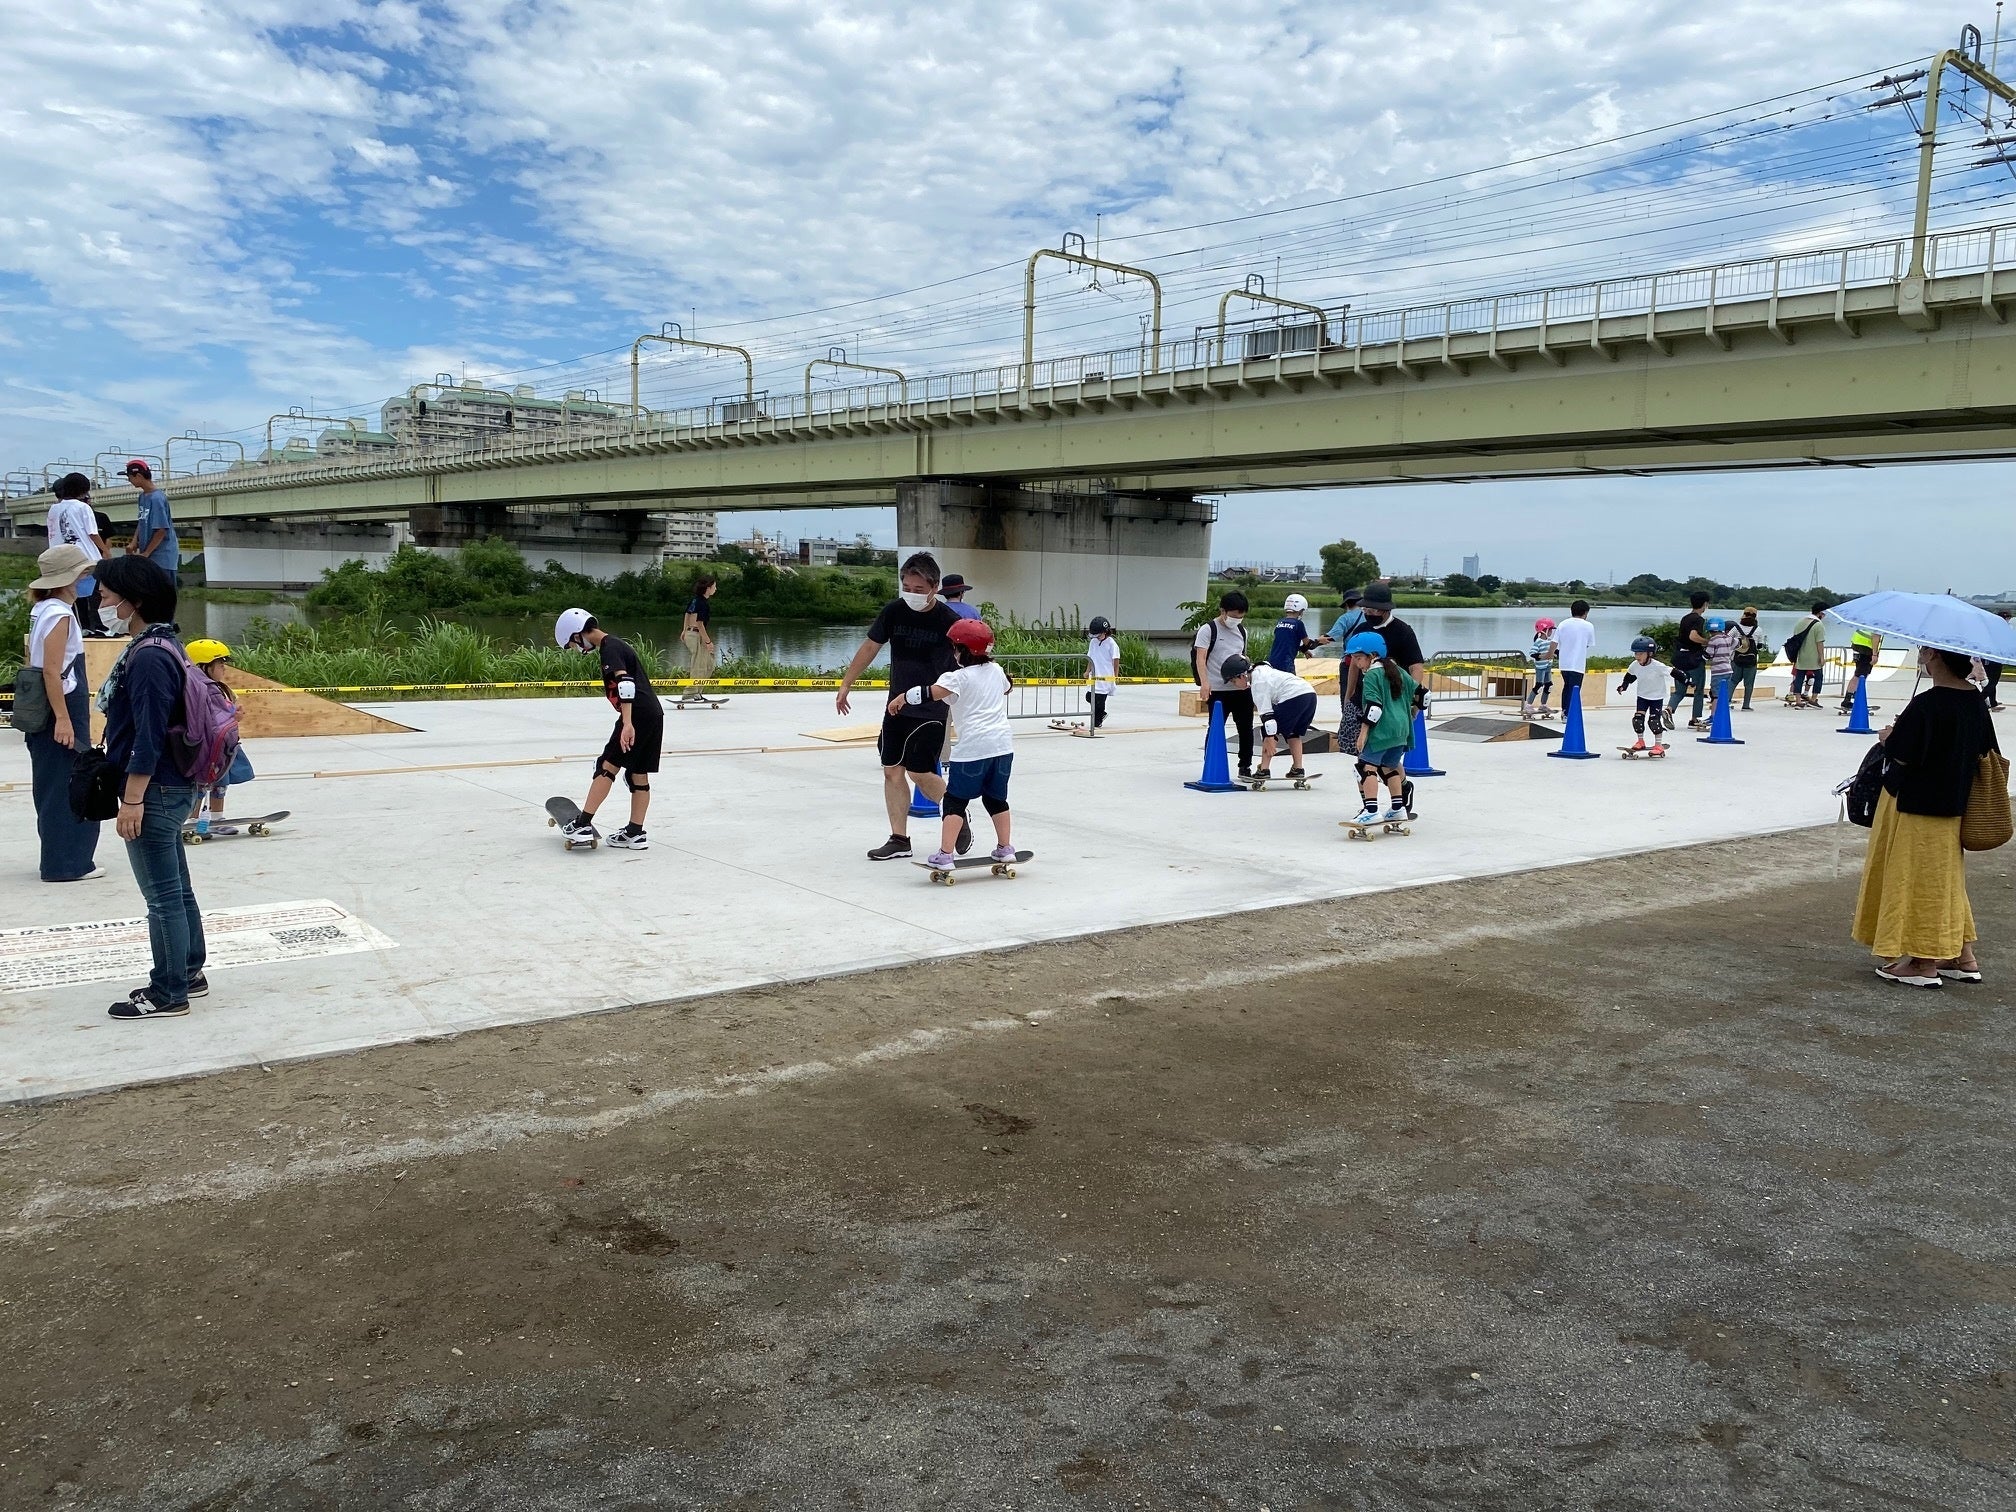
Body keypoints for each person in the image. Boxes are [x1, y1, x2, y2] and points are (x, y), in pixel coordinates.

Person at [94, 555, 206, 1018]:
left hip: (155, 789)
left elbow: (149, 734)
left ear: (132, 600)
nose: (99, 600)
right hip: (172, 784)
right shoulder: (166, 645)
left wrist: (133, 799)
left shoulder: (148, 657)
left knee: (161, 897)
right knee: (176, 887)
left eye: (105, 593)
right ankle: (189, 971)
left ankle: (168, 992)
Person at [1852, 645, 2000, 988]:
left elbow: (1904, 756)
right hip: (1955, 804)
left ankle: (1922, 962)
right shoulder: (1976, 702)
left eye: (1925, 649)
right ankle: (1960, 956)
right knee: (1944, 878)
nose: (1921, 653)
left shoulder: (1928, 703)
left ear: (1935, 655)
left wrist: (1891, 737)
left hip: (1914, 805)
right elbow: (1986, 752)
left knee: (1915, 880)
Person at [837, 552, 962, 860]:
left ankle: (956, 811)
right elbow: (870, 646)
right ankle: (899, 839)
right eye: (907, 587)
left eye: (918, 590)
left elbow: (969, 661)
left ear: (934, 587)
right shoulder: (894, 611)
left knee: (919, 772)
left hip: (931, 708)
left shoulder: (950, 622)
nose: (912, 594)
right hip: (896, 706)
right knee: (892, 770)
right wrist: (846, 682)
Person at [893, 617, 1017, 870]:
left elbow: (929, 694)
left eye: (955, 647)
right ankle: (1005, 849)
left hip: (973, 749)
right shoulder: (996, 670)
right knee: (996, 800)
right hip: (1003, 747)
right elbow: (1007, 688)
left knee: (954, 802)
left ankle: (945, 855)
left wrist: (902, 698)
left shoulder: (957, 677)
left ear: (964, 650)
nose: (953, 651)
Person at [22, 545, 104, 882]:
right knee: (70, 783)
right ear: (68, 578)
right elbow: (51, 671)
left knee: (50, 785)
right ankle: (67, 864)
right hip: (62, 706)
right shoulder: (60, 615)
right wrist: (64, 719)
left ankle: (59, 858)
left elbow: (36, 663)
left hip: (43, 708)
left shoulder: (42, 609)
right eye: (83, 573)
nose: (87, 579)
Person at [553, 607, 662, 850]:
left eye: (572, 644)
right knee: (637, 774)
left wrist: (627, 723)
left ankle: (582, 824)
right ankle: (635, 832)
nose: (576, 649)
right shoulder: (615, 644)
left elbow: (625, 684)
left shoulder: (609, 648)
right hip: (653, 714)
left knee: (607, 765)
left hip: (638, 715)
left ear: (577, 634)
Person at [183, 640, 256, 837]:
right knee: (200, 783)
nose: (224, 667)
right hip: (206, 747)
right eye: (220, 663)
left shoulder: (220, 688)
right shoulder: (196, 688)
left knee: (221, 782)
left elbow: (226, 710)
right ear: (203, 666)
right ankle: (194, 820)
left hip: (223, 745)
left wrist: (235, 713)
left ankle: (217, 818)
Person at [1345, 631, 1418, 826]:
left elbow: (1374, 709)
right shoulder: (1398, 670)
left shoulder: (1371, 676)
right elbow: (1423, 695)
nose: (1357, 663)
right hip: (1401, 730)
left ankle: (1370, 810)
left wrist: (1363, 734)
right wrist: (1411, 712)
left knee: (1365, 768)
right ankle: (1397, 809)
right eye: (1354, 658)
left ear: (1373, 655)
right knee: (1389, 767)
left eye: (1359, 658)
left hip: (1381, 730)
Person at [1220, 654, 1319, 782]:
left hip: (1293, 697)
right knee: (1293, 733)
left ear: (1242, 675)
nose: (1234, 685)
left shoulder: (1258, 684)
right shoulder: (1261, 669)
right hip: (1309, 695)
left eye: (1233, 681)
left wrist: (1270, 737)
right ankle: (1298, 769)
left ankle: (1264, 770)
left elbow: (1268, 717)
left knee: (1268, 730)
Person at [1193, 590, 1255, 778]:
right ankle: (1210, 762)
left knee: (1245, 728)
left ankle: (1245, 766)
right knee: (1215, 728)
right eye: (1234, 616)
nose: (1237, 620)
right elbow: (1200, 658)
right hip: (1218, 690)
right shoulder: (1208, 630)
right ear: (1223, 611)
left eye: (1241, 617)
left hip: (1240, 689)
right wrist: (1205, 683)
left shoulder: (1242, 631)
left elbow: (1242, 657)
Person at [45, 472, 108, 637]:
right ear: (83, 490)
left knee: (73, 595)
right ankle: (99, 627)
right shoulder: (83, 507)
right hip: (86, 558)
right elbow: (93, 533)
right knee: (96, 594)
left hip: (62, 559)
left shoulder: (54, 509)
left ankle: (81, 627)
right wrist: (106, 551)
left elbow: (52, 533)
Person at [1615, 635, 1673, 755]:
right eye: (1636, 654)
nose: (1637, 656)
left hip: (1656, 697)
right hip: (1642, 696)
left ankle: (1658, 746)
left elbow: (1673, 672)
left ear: (1650, 654)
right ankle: (1640, 742)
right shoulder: (1635, 665)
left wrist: (1687, 681)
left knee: (1654, 721)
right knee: (1637, 720)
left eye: (1640, 654)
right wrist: (1623, 686)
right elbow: (1629, 677)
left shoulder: (1658, 666)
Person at [123, 461, 179, 581]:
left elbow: (161, 530)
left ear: (138, 476)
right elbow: (142, 520)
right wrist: (134, 542)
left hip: (162, 558)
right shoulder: (143, 497)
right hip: (148, 557)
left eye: (129, 477)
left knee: (162, 595)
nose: (129, 480)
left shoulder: (157, 498)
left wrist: (146, 553)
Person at [1666, 591, 1711, 731]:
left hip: (1680, 658)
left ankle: (1669, 709)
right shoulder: (1698, 619)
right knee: (1698, 689)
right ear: (1705, 604)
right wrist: (1706, 642)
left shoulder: (1685, 618)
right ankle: (1695, 719)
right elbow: (1693, 636)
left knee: (1680, 690)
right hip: (1694, 659)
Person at [1326, 588, 1367, 732]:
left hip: (1350, 662)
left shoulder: (1345, 618)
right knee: (1367, 694)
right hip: (1369, 662)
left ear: (1347, 604)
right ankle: (1365, 727)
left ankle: (1347, 728)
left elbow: (1331, 637)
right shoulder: (1368, 616)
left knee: (1347, 694)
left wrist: (1313, 643)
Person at [1552, 600, 1596, 712]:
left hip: (1564, 664)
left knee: (1567, 687)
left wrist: (1548, 655)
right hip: (1578, 664)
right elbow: (1588, 644)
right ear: (1585, 613)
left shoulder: (1563, 624)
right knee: (1575, 689)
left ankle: (1565, 711)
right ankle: (1569, 712)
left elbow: (1554, 642)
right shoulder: (1588, 626)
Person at [1265, 593, 1325, 672]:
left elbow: (1287, 644)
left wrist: (1304, 651)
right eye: (1303, 610)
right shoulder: (1298, 624)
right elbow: (1309, 644)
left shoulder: (1280, 622)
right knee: (1290, 684)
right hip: (1286, 663)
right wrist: (1319, 641)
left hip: (1272, 661)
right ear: (1300, 610)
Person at [680, 575, 718, 696]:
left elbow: (687, 613)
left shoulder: (696, 600)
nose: (715, 589)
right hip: (696, 634)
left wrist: (684, 630)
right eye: (714, 586)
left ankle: (697, 692)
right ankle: (690, 693)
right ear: (708, 588)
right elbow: (700, 624)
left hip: (691, 633)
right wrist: (708, 642)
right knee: (699, 665)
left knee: (709, 664)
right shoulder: (703, 604)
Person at [1787, 602, 1827, 708]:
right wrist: (1822, 657)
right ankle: (1813, 699)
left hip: (1800, 655)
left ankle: (1798, 701)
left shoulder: (1800, 621)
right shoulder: (1818, 625)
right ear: (1820, 613)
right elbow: (1819, 642)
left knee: (1799, 677)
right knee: (1818, 677)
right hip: (1813, 656)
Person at [1084, 616, 1119, 729]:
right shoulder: (1093, 642)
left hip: (1106, 677)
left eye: (1098, 635)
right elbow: (1090, 657)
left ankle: (1097, 722)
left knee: (1099, 700)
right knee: (1089, 696)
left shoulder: (1111, 644)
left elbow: (1116, 660)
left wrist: (1115, 676)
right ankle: (1102, 714)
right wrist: (1087, 671)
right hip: (1095, 675)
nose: (1096, 638)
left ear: (1105, 632)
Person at [1841, 627, 1883, 717]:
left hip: (1858, 645)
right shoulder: (1879, 621)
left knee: (1861, 674)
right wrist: (1874, 654)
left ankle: (1855, 698)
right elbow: (1875, 636)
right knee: (1860, 676)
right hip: (1866, 649)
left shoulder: (1868, 617)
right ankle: (1847, 701)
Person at [1730, 607, 1765, 711]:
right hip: (1751, 661)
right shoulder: (1758, 629)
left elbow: (1728, 638)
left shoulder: (1736, 628)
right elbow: (1760, 645)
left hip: (1737, 659)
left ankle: (1726, 701)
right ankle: (1746, 705)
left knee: (1733, 681)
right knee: (1749, 684)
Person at [1704, 616, 1738, 718]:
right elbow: (1737, 643)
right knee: (1724, 693)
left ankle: (1713, 716)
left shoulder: (1713, 640)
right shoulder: (1729, 638)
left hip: (1718, 671)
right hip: (1728, 670)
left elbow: (1707, 655)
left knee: (1715, 695)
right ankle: (1722, 714)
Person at [1524, 617, 1557, 718]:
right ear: (1544, 630)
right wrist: (1544, 655)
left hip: (1548, 666)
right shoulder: (1538, 641)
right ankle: (1528, 705)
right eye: (1550, 630)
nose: (1551, 632)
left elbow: (1554, 651)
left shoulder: (1550, 641)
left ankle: (1543, 705)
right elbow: (1532, 653)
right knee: (1539, 685)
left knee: (1549, 685)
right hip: (1541, 667)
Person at [1983, 610, 2012, 711]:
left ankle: (1992, 702)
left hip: (1993, 657)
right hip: (1991, 658)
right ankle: (1980, 700)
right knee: (1993, 681)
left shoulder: (1991, 627)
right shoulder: (1998, 629)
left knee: (1992, 681)